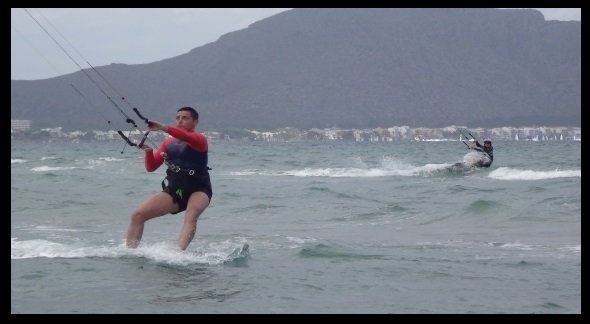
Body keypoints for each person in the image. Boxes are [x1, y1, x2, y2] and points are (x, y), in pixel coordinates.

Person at [126, 106, 212, 251]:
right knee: (138, 215)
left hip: (199, 189)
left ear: (195, 122)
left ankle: (179, 253)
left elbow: (185, 136)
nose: (180, 121)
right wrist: (148, 152)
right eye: (178, 118)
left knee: (191, 214)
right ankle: (129, 252)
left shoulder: (200, 140)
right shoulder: (168, 144)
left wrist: (163, 127)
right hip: (175, 189)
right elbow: (151, 167)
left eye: (185, 118)